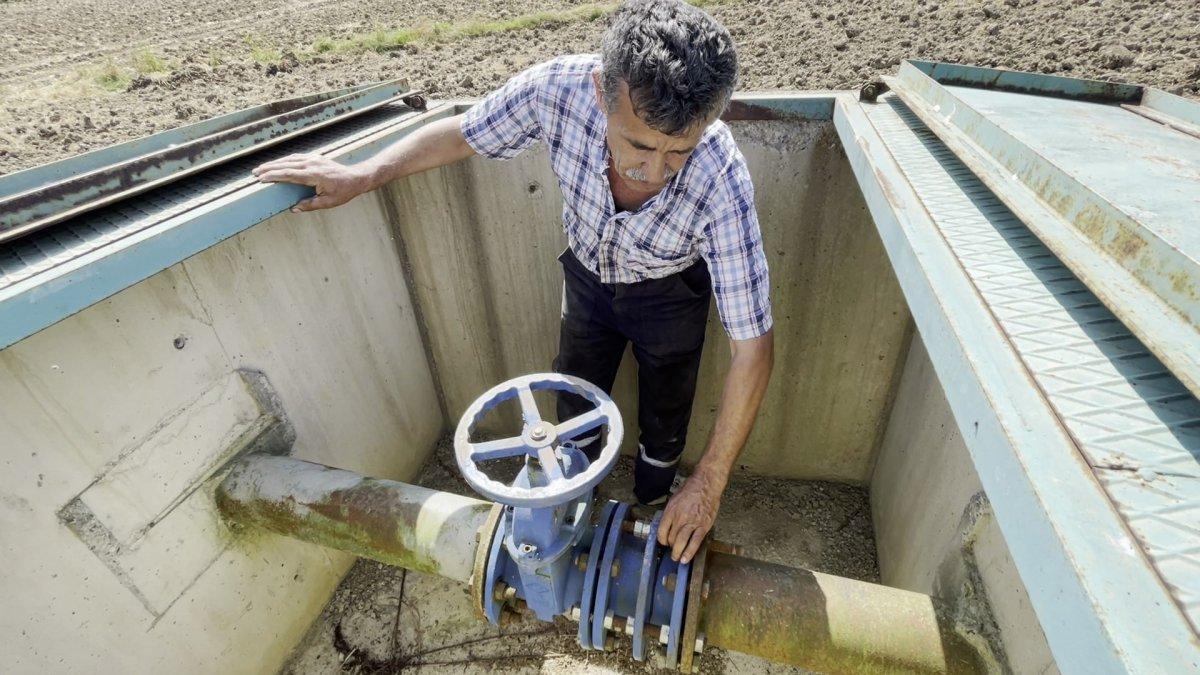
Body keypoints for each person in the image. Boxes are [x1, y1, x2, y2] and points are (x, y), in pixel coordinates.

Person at [251, 0, 773, 566]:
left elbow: (753, 347)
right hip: (587, 278)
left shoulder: (722, 177)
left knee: (668, 409)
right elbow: (464, 134)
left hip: (671, 295)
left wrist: (710, 484)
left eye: (679, 153)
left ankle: (654, 497)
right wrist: (365, 174)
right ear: (600, 92)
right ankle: (576, 497)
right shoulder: (558, 90)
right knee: (574, 394)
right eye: (639, 146)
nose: (654, 173)